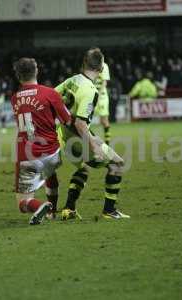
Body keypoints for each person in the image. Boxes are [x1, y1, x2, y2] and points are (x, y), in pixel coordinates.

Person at [55, 48, 129, 220]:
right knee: (117, 164)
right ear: (102, 68)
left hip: (63, 135)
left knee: (84, 168)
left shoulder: (72, 80)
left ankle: (69, 209)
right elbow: (80, 124)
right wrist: (93, 146)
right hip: (78, 138)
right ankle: (109, 211)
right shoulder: (90, 90)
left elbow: (51, 97)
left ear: (83, 63)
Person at [11, 58, 72, 225]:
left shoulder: (14, 98)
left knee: (22, 203)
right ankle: (52, 212)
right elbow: (68, 120)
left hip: (28, 158)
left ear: (18, 76)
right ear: (36, 71)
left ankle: (39, 205)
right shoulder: (51, 93)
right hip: (52, 153)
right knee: (49, 172)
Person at [93, 50, 112, 144]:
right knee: (85, 122)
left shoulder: (104, 66)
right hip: (91, 96)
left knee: (104, 121)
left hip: (101, 97)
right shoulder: (89, 65)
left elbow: (104, 82)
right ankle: (90, 143)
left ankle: (107, 143)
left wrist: (98, 95)